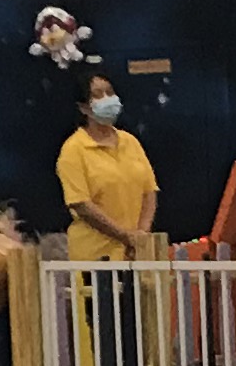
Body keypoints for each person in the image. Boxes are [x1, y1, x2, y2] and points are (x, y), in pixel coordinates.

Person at [57, 74, 161, 266]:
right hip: (95, 256)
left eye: (110, 92)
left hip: (135, 253)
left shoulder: (130, 142)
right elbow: (81, 205)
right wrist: (124, 236)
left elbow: (149, 192)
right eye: (98, 95)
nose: (107, 99)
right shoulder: (73, 150)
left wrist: (140, 235)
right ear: (83, 107)